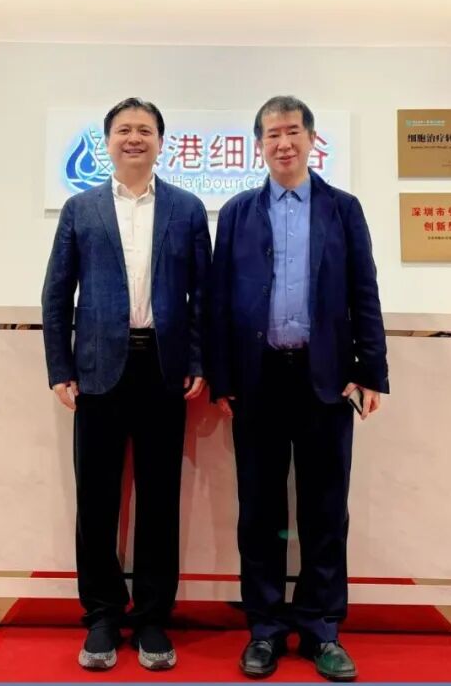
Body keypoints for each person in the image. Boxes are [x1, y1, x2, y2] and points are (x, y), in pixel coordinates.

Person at [208, 95, 389, 682]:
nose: (283, 143)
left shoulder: (342, 209)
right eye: (271, 134)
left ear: (311, 139)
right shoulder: (238, 212)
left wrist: (371, 370)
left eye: (292, 132)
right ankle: (263, 628)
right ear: (258, 145)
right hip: (257, 380)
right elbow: (218, 300)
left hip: (325, 380)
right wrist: (221, 376)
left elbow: (364, 291)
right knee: (259, 511)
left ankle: (320, 628)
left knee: (325, 511)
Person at [42, 97, 211, 671]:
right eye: (123, 130)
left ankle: (153, 616)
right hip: (97, 371)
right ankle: (102, 615)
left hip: (164, 371)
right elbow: (56, 293)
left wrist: (198, 359)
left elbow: (202, 296)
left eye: (144, 130)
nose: (134, 138)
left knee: (160, 499)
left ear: (161, 142)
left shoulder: (187, 209)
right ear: (108, 141)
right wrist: (60, 368)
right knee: (97, 499)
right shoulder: (81, 208)